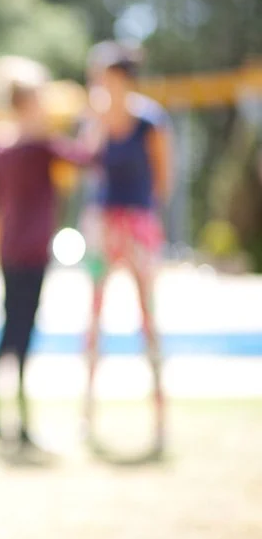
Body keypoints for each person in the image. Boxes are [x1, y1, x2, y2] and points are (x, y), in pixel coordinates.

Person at [0, 56, 87, 446]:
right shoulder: (39, 145)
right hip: (28, 251)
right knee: (21, 330)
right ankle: (17, 420)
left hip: (9, 248)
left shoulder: (0, 144)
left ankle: (0, 415)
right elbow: (87, 158)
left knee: (10, 325)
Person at [80, 41, 173, 455]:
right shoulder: (96, 119)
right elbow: (83, 161)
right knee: (94, 321)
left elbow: (163, 179)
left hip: (137, 226)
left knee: (148, 319)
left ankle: (160, 420)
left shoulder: (151, 120)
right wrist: (96, 122)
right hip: (103, 226)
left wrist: (141, 225)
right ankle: (87, 415)